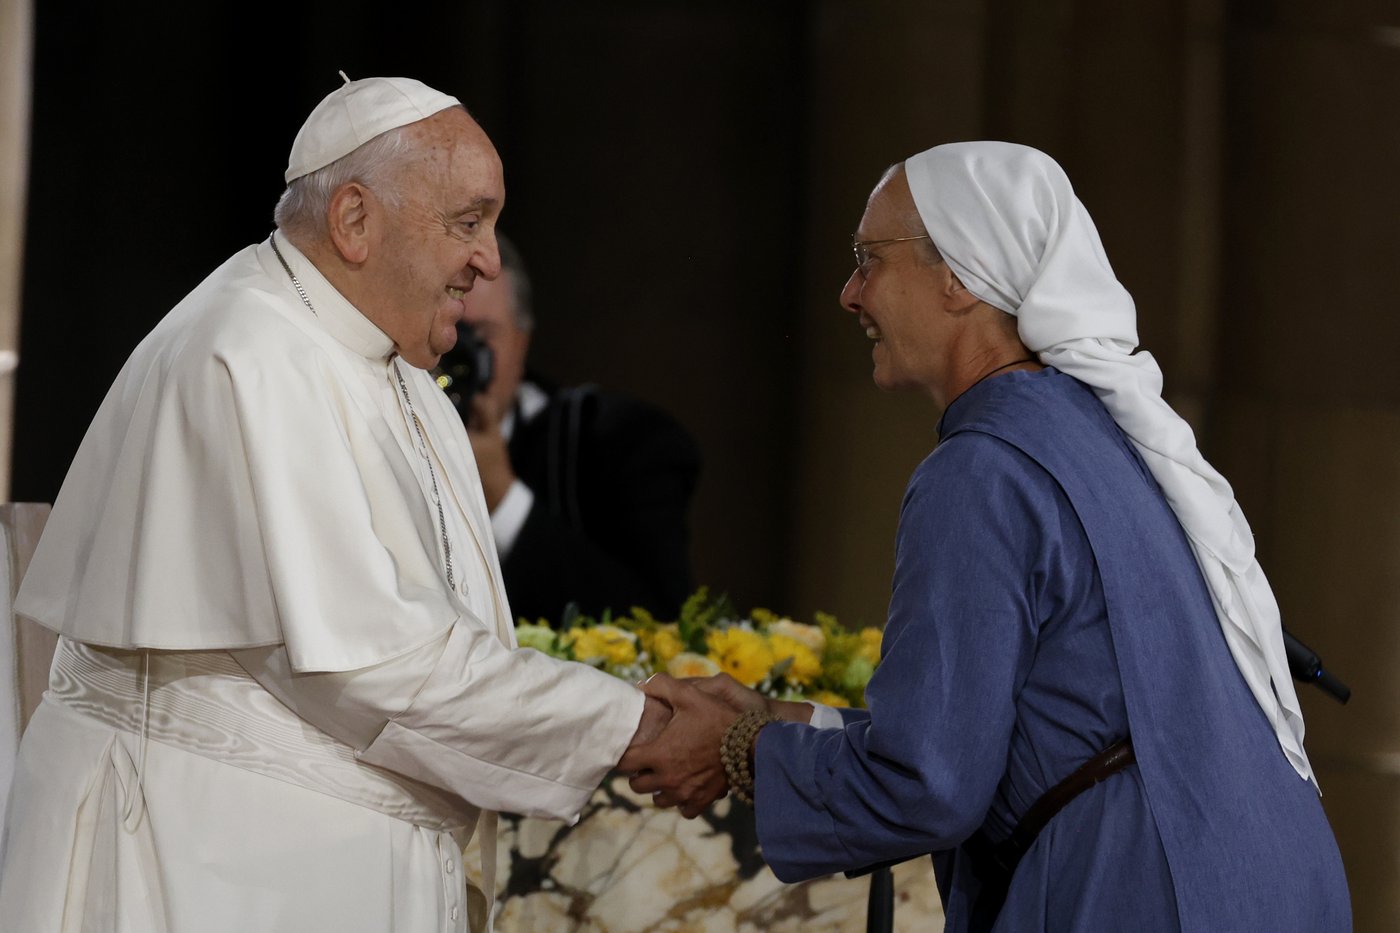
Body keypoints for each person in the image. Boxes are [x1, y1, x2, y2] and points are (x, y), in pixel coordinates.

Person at [622, 142, 1351, 931]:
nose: (848, 293)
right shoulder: (1095, 437)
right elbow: (1023, 728)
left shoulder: (982, 470)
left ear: (961, 276)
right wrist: (782, 724)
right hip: (1262, 876)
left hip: (1138, 888)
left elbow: (928, 782)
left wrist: (740, 752)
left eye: (869, 259)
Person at [0, 75, 668, 933]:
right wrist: (638, 727)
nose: (489, 260)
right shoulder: (250, 352)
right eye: (468, 223)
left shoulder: (392, 362)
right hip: (205, 868)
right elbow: (379, 668)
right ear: (355, 220)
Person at [447, 234, 700, 623]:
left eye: (480, 337)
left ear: (522, 341)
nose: (455, 350)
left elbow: (657, 620)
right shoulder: (364, 427)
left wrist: (503, 498)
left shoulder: (616, 441)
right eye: (447, 325)